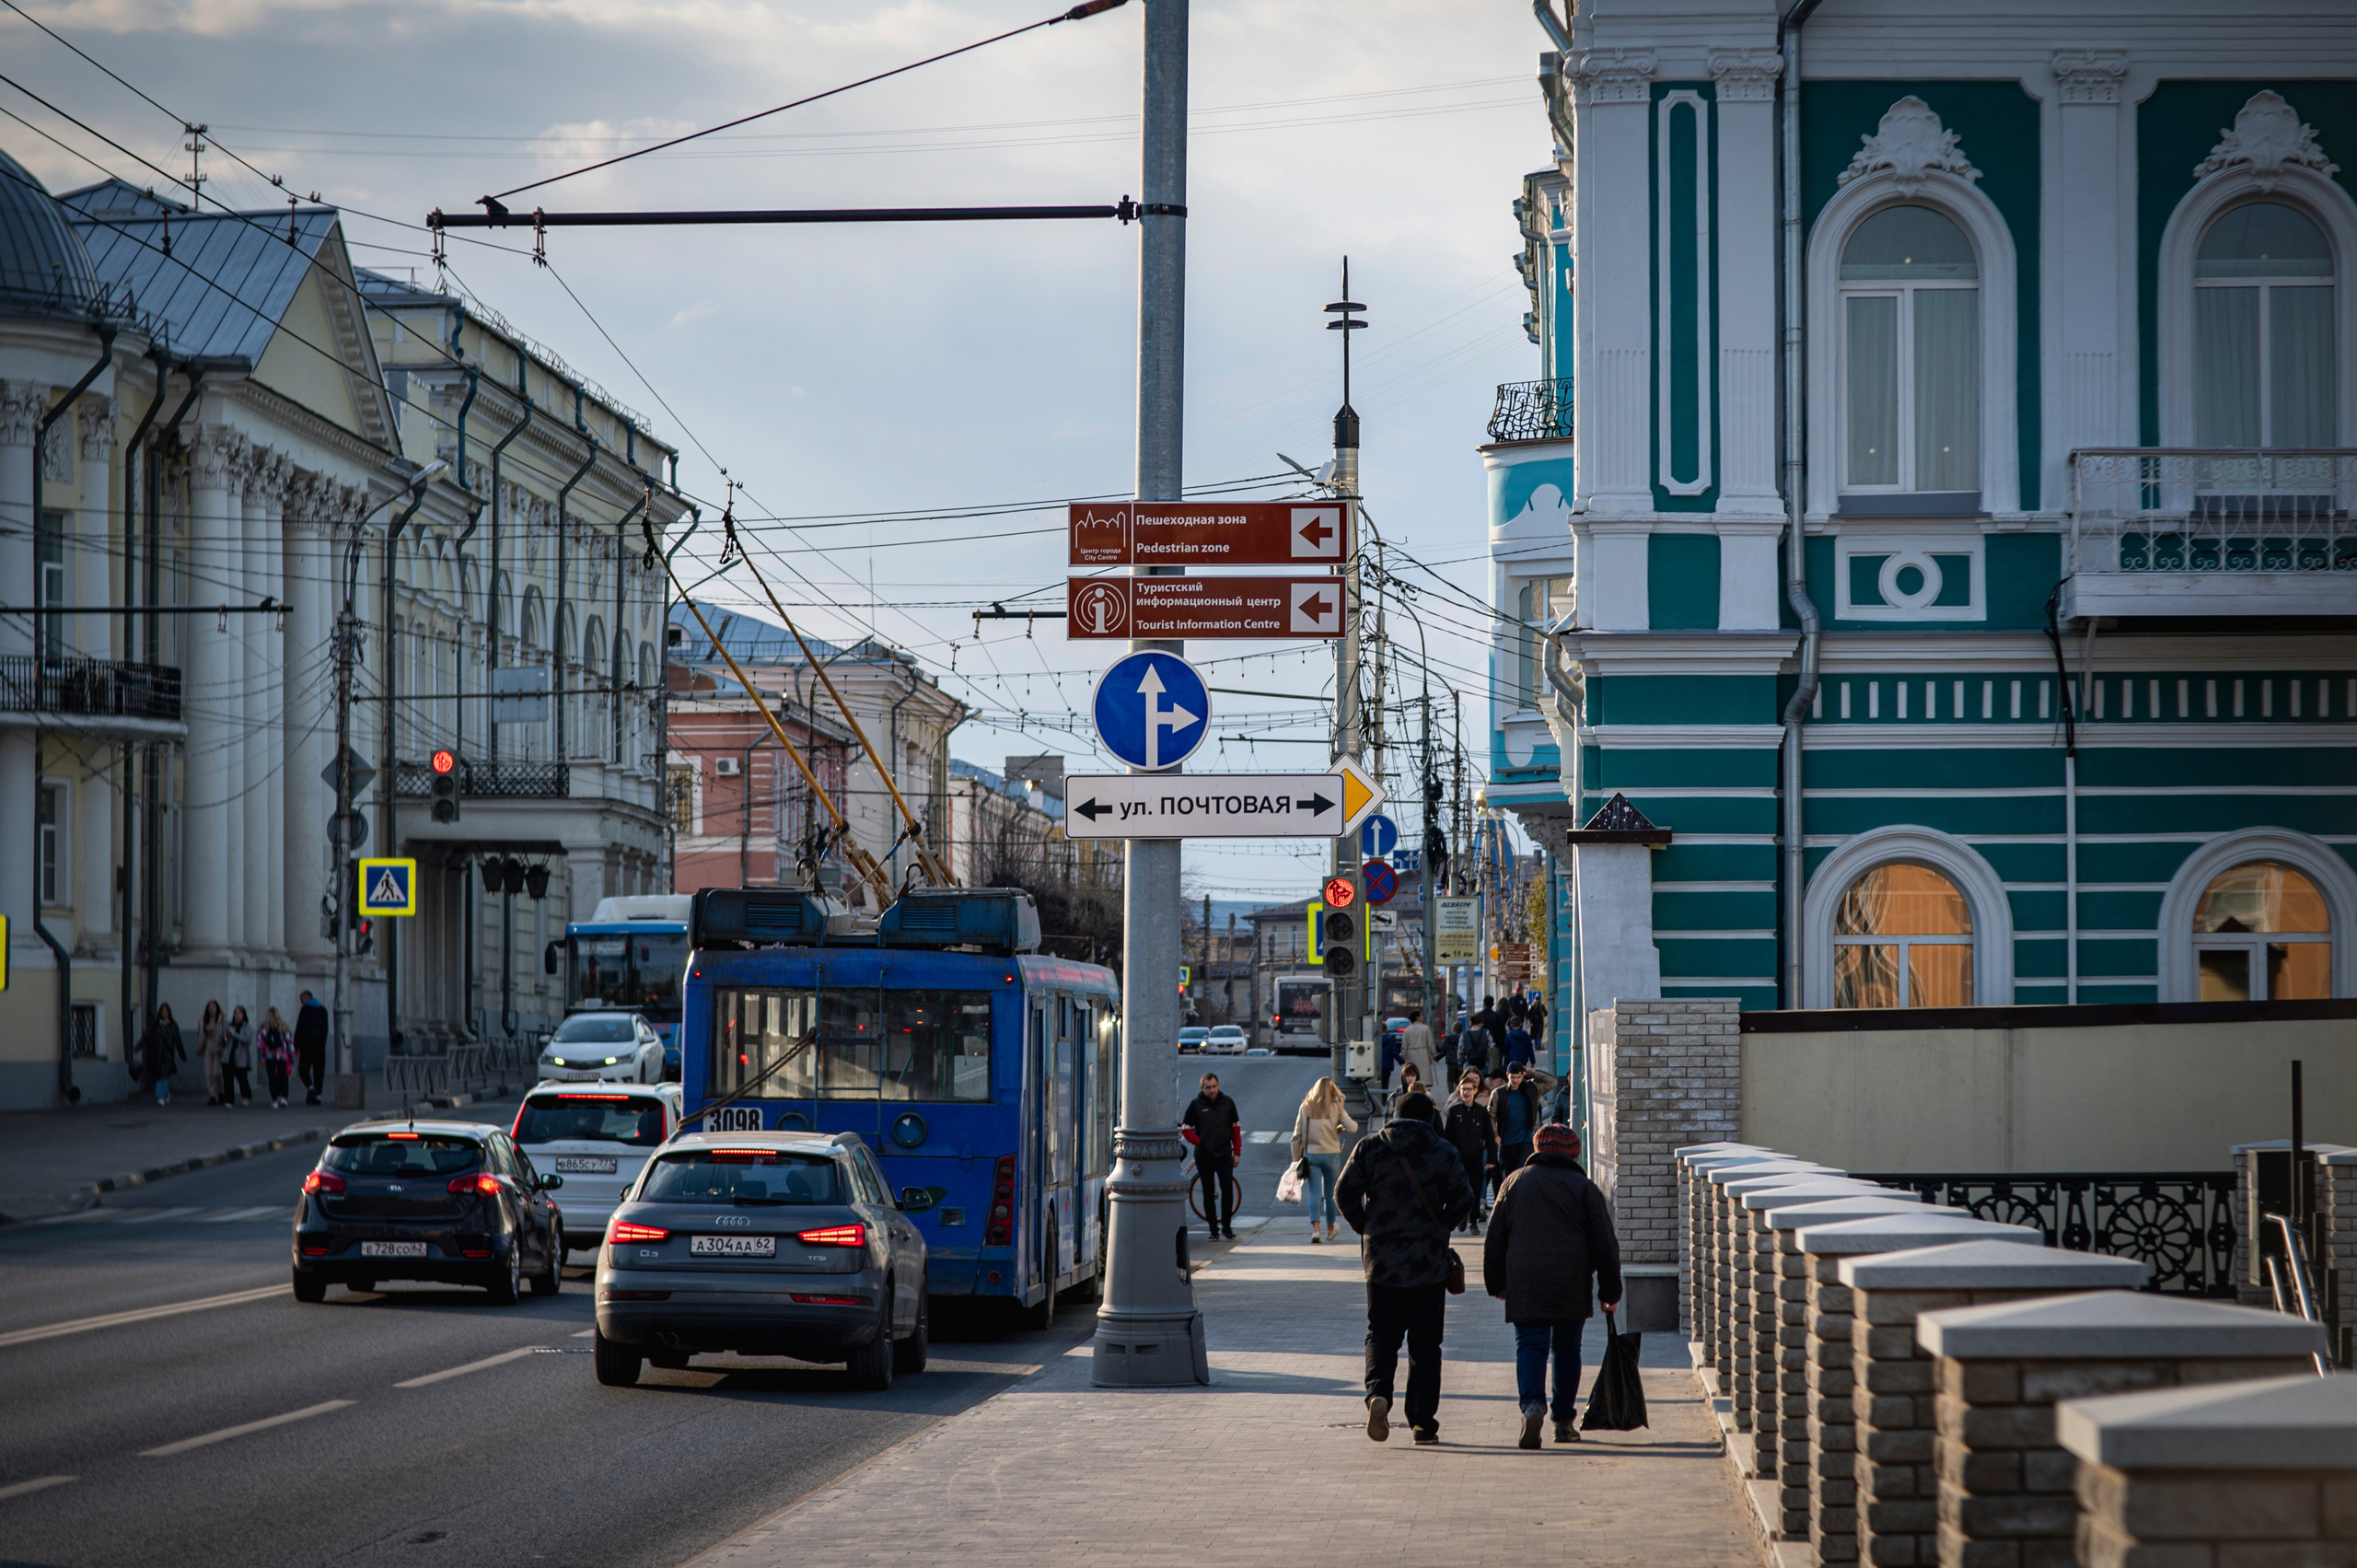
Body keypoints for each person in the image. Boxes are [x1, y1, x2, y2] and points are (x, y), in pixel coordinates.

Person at [1337, 1089, 1474, 1446]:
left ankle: (1378, 1395)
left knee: (1381, 1335)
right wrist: (1442, 1226)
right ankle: (1422, 1423)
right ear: (1429, 1118)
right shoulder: (1443, 1150)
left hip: (1382, 1263)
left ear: (1394, 1117)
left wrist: (1366, 1227)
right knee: (1426, 1345)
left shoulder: (1370, 1147)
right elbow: (1464, 1198)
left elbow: (1343, 1193)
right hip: (1428, 1264)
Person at [1484, 1121, 1622, 1448]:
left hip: (1525, 1280)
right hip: (1571, 1280)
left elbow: (1495, 1239)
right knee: (1566, 1350)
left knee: (1530, 1346)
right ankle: (1563, 1421)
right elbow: (1605, 1243)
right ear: (1573, 1153)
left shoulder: (1513, 1183)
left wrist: (1497, 1284)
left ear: (1536, 1149)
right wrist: (1610, 1291)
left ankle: (1532, 1405)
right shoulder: (1584, 1188)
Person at [1289, 1075, 1359, 1244]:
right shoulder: (1336, 1107)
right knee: (1330, 1194)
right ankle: (1330, 1229)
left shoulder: (1306, 1106)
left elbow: (1296, 1136)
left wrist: (1296, 1159)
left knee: (1314, 1192)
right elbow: (1354, 1127)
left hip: (1312, 1155)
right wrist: (1339, 1127)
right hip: (1332, 1155)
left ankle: (1315, 1230)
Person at [1180, 1072, 1243, 1240]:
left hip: (1224, 1153)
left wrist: (1236, 1152)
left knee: (1227, 1189)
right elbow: (1186, 1129)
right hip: (1204, 1155)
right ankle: (1213, 1230)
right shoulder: (1196, 1105)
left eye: (1214, 1086)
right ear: (1202, 1088)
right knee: (1208, 1192)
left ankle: (1227, 1228)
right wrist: (1199, 1142)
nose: (1212, 1090)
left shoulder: (1228, 1103)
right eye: (1208, 1088)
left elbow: (1236, 1129)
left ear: (1219, 1085)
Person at [1441, 1071, 1498, 1233]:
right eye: (1463, 1089)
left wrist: (1492, 1158)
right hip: (1458, 1158)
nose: (1466, 1092)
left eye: (1469, 1089)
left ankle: (1473, 1220)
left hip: (1476, 1157)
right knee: (1459, 1189)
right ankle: (1461, 1218)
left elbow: (1489, 1136)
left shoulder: (1482, 1112)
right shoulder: (1454, 1111)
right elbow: (1448, 1137)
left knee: (1474, 1189)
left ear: (1475, 1091)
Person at [1490, 1061, 1544, 1179]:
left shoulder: (1531, 1089)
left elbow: (1551, 1082)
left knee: (1523, 1175)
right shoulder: (1499, 1093)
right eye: (1512, 1077)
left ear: (1522, 1076)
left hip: (1526, 1141)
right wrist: (1495, 1135)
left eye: (1518, 1077)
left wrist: (1531, 1073)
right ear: (1507, 1075)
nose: (1515, 1080)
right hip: (1506, 1142)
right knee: (1509, 1177)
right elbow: (1491, 1116)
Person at [137, 1004, 185, 1105]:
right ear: (160, 1013)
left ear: (169, 1013)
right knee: (159, 1075)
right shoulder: (155, 1025)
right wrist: (138, 1046)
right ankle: (166, 1093)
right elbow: (147, 1036)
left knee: (164, 1075)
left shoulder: (172, 1025)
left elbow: (178, 1041)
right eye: (162, 1011)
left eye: (166, 1011)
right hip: (156, 1054)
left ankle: (160, 1096)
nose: (164, 1013)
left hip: (167, 1054)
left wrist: (182, 1055)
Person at [293, 990, 330, 1106]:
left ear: (306, 997)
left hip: (307, 1045)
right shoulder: (322, 1009)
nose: (301, 1003)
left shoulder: (306, 1009)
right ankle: (318, 1094)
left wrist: (296, 1044)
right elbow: (326, 1028)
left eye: (301, 1000)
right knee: (319, 1069)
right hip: (320, 1045)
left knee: (303, 1069)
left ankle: (311, 1087)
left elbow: (301, 1027)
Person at [257, 1006, 296, 1109]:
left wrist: (262, 1058)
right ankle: (283, 1098)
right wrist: (292, 1056)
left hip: (269, 1056)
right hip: (282, 1056)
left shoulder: (263, 1028)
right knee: (283, 1077)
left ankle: (275, 1100)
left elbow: (260, 1044)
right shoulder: (283, 1027)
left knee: (272, 1078)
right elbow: (289, 1042)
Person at [196, 1001, 227, 1107]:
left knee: (217, 1072)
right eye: (209, 1007)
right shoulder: (204, 1019)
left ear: (217, 1007)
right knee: (208, 1073)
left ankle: (221, 1093)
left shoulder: (222, 1019)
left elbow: (225, 1031)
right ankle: (212, 1096)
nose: (211, 1008)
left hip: (218, 1045)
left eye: (213, 1006)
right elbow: (201, 1032)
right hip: (208, 1044)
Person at [222, 1007, 254, 1107]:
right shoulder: (229, 1025)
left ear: (243, 1015)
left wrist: (234, 1033)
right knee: (228, 1080)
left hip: (241, 1057)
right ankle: (229, 1100)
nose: (237, 1015)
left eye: (240, 1013)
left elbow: (246, 1039)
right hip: (228, 1056)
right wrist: (224, 1035)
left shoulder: (247, 1027)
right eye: (235, 1013)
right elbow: (221, 1040)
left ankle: (246, 1096)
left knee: (242, 1079)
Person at [1399, 1008, 1435, 1090]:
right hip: (1424, 1054)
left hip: (1411, 1055)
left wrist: (1403, 1056)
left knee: (1412, 1072)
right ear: (1417, 1017)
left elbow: (1404, 1045)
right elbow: (1431, 1043)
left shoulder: (1407, 1030)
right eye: (1421, 1015)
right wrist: (1434, 1054)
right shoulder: (1426, 1028)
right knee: (1423, 1078)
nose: (1423, 1017)